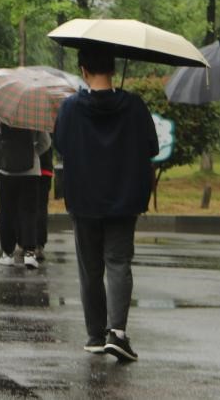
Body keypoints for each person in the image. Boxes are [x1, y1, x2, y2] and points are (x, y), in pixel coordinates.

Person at [53, 44, 157, 362]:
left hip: (84, 198)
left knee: (90, 268)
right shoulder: (135, 107)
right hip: (124, 198)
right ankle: (118, 333)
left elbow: (61, 146)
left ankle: (96, 334)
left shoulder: (70, 108)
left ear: (83, 70)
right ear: (113, 69)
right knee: (118, 263)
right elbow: (151, 147)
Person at [0, 116, 52, 268]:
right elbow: (46, 142)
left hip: (5, 171)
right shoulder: (34, 113)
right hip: (31, 172)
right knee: (29, 212)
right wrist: (33, 153)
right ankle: (29, 252)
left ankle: (8, 253)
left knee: (6, 213)